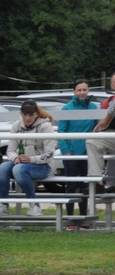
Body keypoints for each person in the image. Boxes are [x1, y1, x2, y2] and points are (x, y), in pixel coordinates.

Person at [0, 100, 56, 216]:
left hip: (42, 166)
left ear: (36, 114)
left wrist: (31, 159)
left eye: (31, 115)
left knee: (18, 169)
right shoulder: (16, 125)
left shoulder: (46, 126)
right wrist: (15, 158)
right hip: (21, 164)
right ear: (21, 113)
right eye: (25, 114)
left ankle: (34, 205)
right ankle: (3, 205)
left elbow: (49, 154)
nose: (27, 118)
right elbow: (10, 150)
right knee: (3, 167)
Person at [58, 79, 98, 218]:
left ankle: (83, 218)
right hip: (71, 153)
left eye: (84, 90)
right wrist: (66, 151)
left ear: (88, 90)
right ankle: (69, 217)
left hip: (87, 152)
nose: (82, 92)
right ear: (74, 91)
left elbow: (98, 129)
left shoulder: (93, 107)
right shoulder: (66, 109)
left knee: (84, 186)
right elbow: (61, 132)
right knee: (70, 185)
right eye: (79, 90)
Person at [87, 72, 115, 191]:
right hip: (111, 135)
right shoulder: (108, 101)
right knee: (92, 141)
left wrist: (106, 119)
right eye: (114, 82)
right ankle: (97, 182)